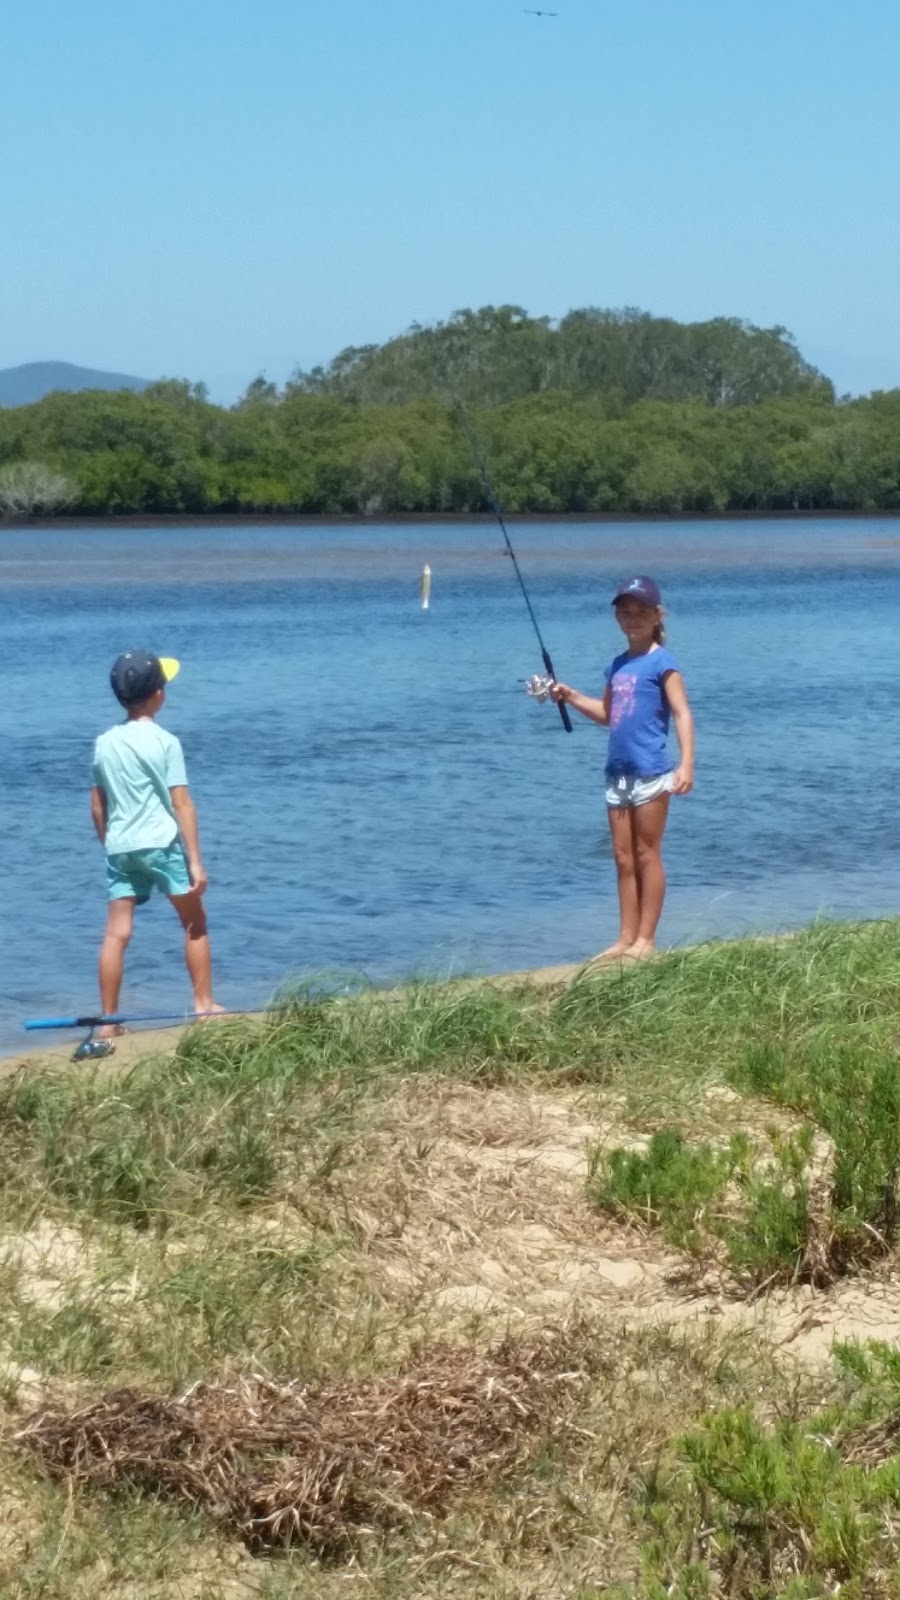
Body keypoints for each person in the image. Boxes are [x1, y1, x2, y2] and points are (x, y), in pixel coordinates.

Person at [551, 576, 694, 961]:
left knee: (648, 852)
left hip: (652, 772)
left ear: (656, 616)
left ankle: (646, 941)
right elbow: (607, 714)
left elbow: (681, 713)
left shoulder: (663, 663)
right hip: (617, 775)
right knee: (623, 857)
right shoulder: (617, 665)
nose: (632, 619)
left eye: (640, 612)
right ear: (617, 618)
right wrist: (570, 695)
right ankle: (625, 938)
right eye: (625, 612)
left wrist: (686, 765)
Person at [90, 650, 223, 1045]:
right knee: (194, 921)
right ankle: (204, 1005)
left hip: (120, 847)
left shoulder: (104, 743)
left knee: (117, 934)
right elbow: (181, 802)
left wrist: (109, 843)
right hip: (161, 844)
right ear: (159, 695)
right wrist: (196, 861)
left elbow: (98, 804)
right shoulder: (166, 742)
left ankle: (110, 1021)